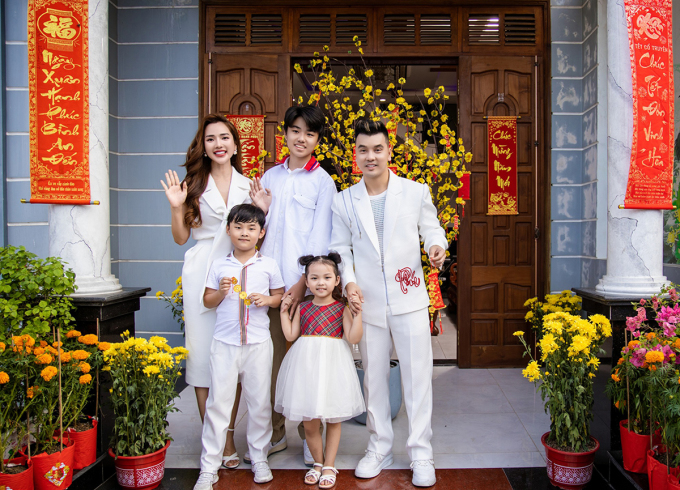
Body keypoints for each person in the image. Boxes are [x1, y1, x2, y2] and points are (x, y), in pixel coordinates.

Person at [329, 120, 447, 487]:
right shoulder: (344, 199)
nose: (371, 156)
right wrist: (348, 282)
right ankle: (378, 447)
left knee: (417, 378)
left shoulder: (414, 192)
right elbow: (339, 248)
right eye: (363, 150)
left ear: (389, 151)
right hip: (368, 302)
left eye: (377, 149)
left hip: (409, 297)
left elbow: (432, 229)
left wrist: (435, 248)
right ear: (355, 155)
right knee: (374, 379)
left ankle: (421, 453)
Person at [246, 105, 337, 465]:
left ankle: (309, 438)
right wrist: (262, 210)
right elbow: (256, 233)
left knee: (307, 364)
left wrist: (302, 284)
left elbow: (320, 240)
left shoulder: (323, 182)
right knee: (273, 363)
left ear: (317, 140)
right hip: (271, 289)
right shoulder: (270, 177)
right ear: (284, 133)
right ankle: (276, 432)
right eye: (296, 130)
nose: (302, 138)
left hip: (306, 290)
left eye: (310, 133)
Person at [161, 114, 251, 470]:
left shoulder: (250, 185)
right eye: (211, 138)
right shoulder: (192, 185)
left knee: (236, 359)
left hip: (240, 276)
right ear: (204, 146)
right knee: (201, 359)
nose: (218, 144)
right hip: (201, 274)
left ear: (234, 143)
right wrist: (175, 205)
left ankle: (228, 429)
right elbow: (181, 238)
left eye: (224, 137)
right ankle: (219, 441)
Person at [193, 204, 285, 489]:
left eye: (251, 228)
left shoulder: (268, 264)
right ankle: (209, 465)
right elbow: (207, 300)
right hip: (225, 344)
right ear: (228, 229)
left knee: (259, 404)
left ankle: (258, 457)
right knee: (218, 404)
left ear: (261, 233)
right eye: (239, 227)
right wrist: (220, 293)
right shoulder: (220, 265)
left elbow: (279, 296)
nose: (244, 233)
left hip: (258, 344)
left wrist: (266, 300)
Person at [275, 254, 364, 489]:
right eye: (314, 278)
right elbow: (291, 336)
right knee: (310, 422)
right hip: (305, 367)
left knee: (333, 418)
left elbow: (353, 338)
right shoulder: (303, 307)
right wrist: (284, 313)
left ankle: (329, 465)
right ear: (306, 281)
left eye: (326, 277)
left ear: (337, 281)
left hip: (334, 366)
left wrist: (358, 316)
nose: (320, 282)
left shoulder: (341, 308)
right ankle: (317, 462)